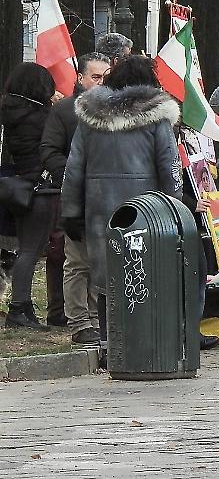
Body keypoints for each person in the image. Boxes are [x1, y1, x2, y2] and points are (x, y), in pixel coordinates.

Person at [61, 56, 183, 342]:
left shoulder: (90, 118)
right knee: (144, 274)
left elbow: (73, 167)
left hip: (99, 210)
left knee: (106, 279)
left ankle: (110, 341)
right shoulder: (157, 119)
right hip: (146, 212)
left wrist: (70, 211)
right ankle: (143, 341)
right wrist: (175, 208)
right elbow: (171, 168)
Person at [40, 52, 111, 343]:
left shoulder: (114, 113)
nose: (102, 83)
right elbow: (48, 150)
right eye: (96, 77)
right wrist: (74, 174)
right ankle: (80, 322)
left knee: (101, 261)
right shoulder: (66, 111)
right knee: (77, 262)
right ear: (81, 78)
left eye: (107, 77)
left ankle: (96, 319)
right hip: (76, 198)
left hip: (105, 198)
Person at [1, 63, 59, 330]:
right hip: (40, 188)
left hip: (19, 186)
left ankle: (21, 307)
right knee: (31, 250)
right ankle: (19, 308)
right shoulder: (41, 117)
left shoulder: (11, 112)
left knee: (25, 248)